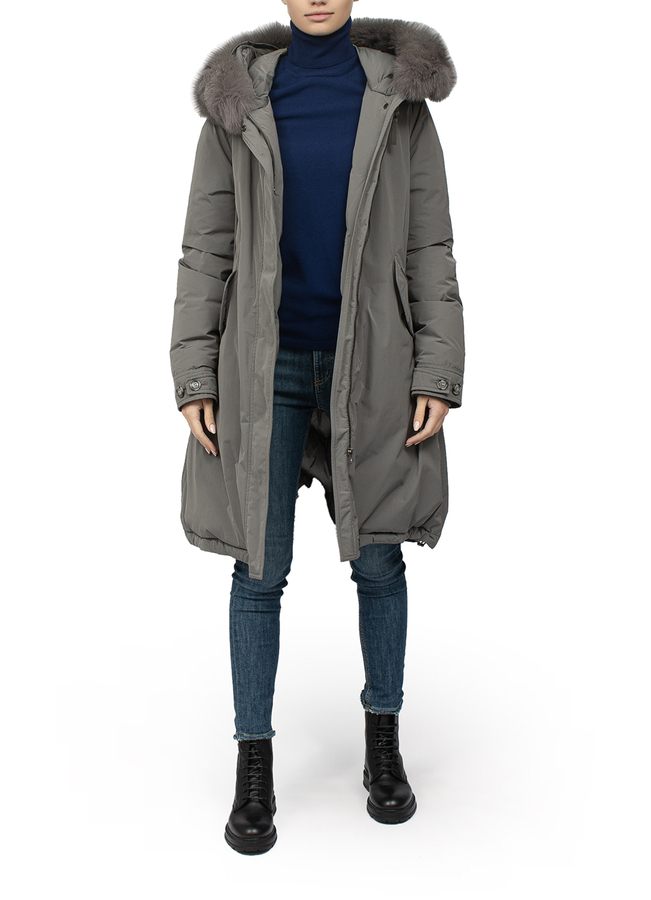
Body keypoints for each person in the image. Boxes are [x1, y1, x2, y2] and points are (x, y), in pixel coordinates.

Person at [170, 0, 464, 855]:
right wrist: (194, 372)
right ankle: (253, 762)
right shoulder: (237, 105)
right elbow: (205, 248)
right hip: (259, 369)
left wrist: (437, 369)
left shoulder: (399, 104)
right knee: (257, 571)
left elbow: (430, 247)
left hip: (373, 365)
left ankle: (383, 743)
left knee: (379, 560)